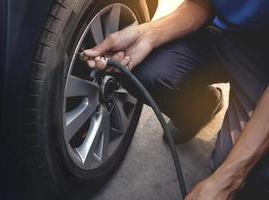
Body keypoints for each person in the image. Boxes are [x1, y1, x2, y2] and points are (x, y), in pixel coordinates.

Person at [83, 0, 269, 199]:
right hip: (223, 32)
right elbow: (203, 4)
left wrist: (230, 180)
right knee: (142, 71)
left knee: (247, 174)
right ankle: (202, 107)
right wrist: (149, 34)